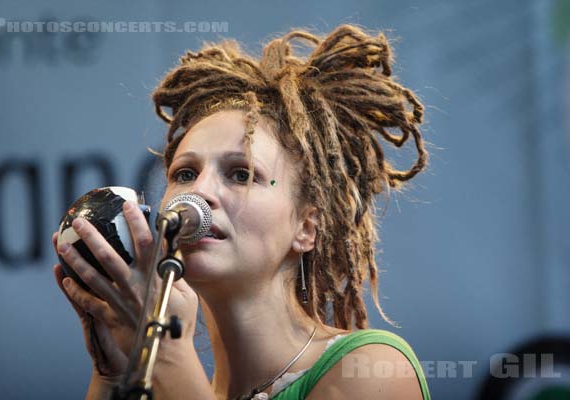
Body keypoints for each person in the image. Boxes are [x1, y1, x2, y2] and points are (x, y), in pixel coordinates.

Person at [53, 24, 431, 399]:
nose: (199, 192)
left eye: (241, 173)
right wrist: (114, 372)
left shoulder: (369, 370)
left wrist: (165, 348)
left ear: (306, 227)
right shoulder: (165, 385)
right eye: (185, 174)